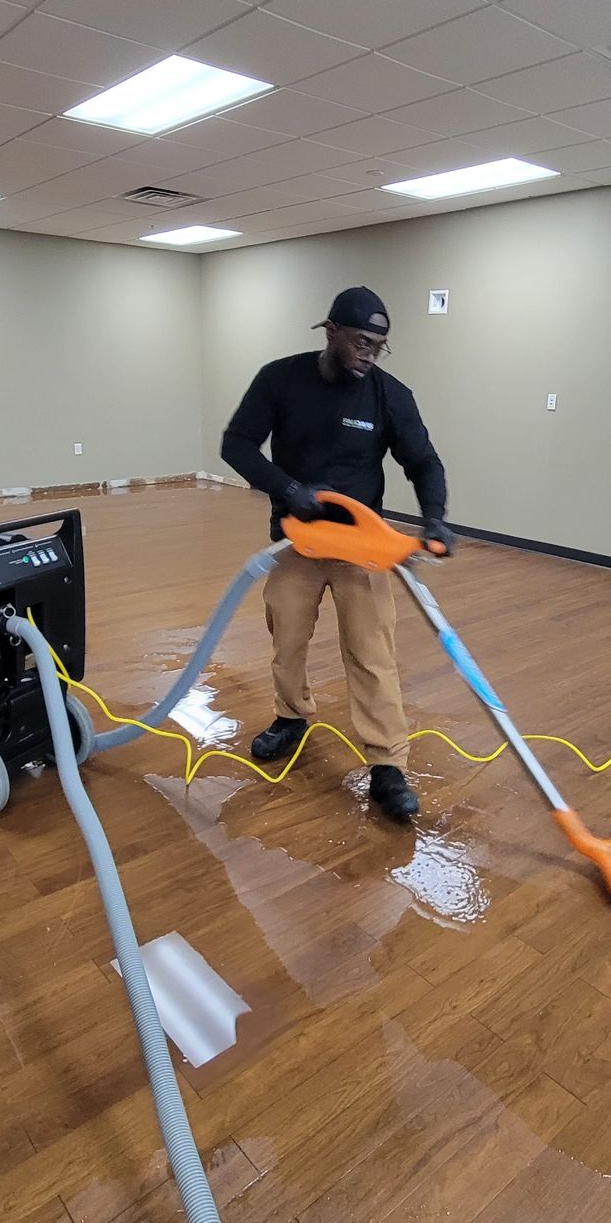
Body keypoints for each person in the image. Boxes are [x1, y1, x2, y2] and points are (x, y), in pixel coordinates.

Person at [220, 286, 457, 823]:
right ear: (330, 332)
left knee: (373, 652)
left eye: (379, 345)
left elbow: (424, 462)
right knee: (287, 637)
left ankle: (387, 764)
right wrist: (286, 486)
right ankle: (291, 716)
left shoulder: (390, 395)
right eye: (361, 342)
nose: (370, 353)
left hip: (361, 549)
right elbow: (236, 443)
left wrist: (434, 516)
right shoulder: (279, 378)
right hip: (296, 542)